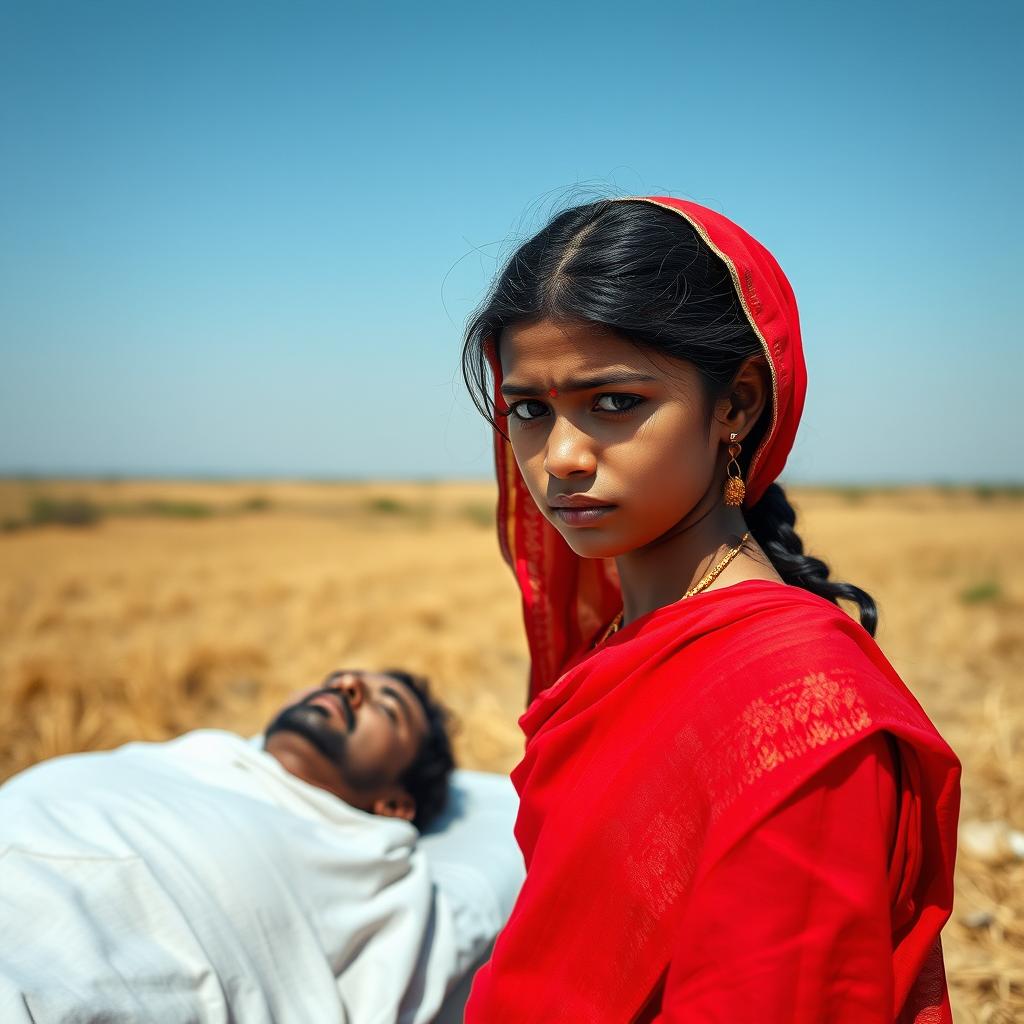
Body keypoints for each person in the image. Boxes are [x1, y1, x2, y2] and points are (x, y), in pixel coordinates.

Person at [459, 196, 962, 1022]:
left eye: (614, 402)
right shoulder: (623, 649)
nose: (560, 457)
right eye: (529, 409)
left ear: (736, 405)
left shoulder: (800, 713)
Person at [0, 668, 458, 1024]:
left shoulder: (367, 861)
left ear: (395, 805)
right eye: (335, 677)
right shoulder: (196, 755)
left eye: (388, 708)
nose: (348, 683)